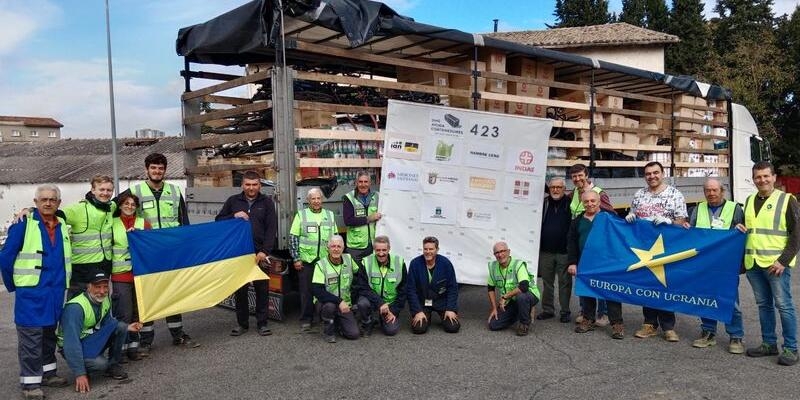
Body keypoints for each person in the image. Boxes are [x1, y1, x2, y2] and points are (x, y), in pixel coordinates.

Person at [119, 152, 199, 354]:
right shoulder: (134, 191)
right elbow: (113, 209)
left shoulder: (174, 191)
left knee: (173, 292)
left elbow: (184, 222)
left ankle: (178, 334)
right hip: (148, 254)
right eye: (153, 168)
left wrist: (186, 248)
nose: (157, 171)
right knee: (148, 295)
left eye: (160, 168)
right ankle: (146, 341)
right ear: (146, 170)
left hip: (171, 253)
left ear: (165, 170)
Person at [1, 185, 72, 400]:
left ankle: (49, 373)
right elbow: (5, 258)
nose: (48, 203)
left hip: (55, 292)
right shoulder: (23, 224)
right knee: (31, 339)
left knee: (49, 335)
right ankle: (30, 384)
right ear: (35, 202)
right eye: (43, 199)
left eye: (52, 199)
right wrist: (16, 286)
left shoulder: (62, 224)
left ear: (58, 203)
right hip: (31, 294)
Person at [737, 161, 800, 365]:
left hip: (776, 264)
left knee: (784, 305)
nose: (762, 180)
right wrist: (740, 227)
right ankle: (769, 343)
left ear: (774, 177)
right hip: (754, 263)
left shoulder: (787, 200)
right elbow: (751, 229)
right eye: (758, 177)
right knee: (764, 305)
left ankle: (791, 348)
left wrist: (783, 261)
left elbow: (797, 234)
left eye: (766, 176)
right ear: (753, 179)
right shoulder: (749, 200)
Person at [17, 176, 115, 300]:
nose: (105, 193)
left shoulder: (112, 207)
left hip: (104, 268)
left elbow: (126, 198)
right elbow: (52, 212)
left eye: (109, 190)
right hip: (81, 270)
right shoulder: (78, 209)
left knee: (102, 304)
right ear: (93, 190)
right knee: (77, 305)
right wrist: (30, 210)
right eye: (101, 189)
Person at [625, 161, 687, 342]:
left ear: (662, 173)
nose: (652, 176)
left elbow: (682, 221)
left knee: (665, 284)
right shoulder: (639, 195)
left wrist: (669, 222)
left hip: (667, 248)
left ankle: (668, 327)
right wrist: (631, 217)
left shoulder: (675, 194)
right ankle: (649, 324)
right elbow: (633, 216)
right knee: (647, 286)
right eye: (648, 174)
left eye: (655, 173)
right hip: (644, 248)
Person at [683, 178, 746, 354]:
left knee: (731, 300)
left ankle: (735, 336)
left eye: (714, 190)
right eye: (707, 190)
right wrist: (686, 227)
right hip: (703, 264)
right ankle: (708, 333)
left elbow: (743, 233)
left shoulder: (735, 209)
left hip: (726, 264)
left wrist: (742, 230)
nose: (711, 193)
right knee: (705, 298)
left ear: (722, 191)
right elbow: (691, 234)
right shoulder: (697, 209)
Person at [57, 270, 143, 394]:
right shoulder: (75, 308)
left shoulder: (104, 299)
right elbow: (71, 343)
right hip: (73, 345)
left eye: (105, 287)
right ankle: (86, 368)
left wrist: (128, 327)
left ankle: (113, 365)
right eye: (97, 287)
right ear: (88, 287)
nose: (102, 291)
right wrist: (80, 373)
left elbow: (109, 324)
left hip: (89, 340)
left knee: (121, 327)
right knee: (100, 364)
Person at [215, 170, 278, 337]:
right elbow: (218, 220)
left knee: (262, 290)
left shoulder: (267, 202)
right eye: (248, 184)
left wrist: (264, 251)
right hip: (239, 253)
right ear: (242, 185)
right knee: (241, 291)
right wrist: (233, 215)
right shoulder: (233, 201)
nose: (251, 188)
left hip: (259, 254)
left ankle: (262, 324)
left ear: (260, 185)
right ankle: (242, 324)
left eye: (255, 184)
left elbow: (271, 229)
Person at [567, 190, 625, 339]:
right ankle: (588, 319)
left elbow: (621, 236)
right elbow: (572, 243)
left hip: (607, 263)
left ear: (599, 202)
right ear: (582, 203)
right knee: (587, 292)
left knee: (611, 293)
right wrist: (573, 262)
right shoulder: (577, 221)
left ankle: (617, 323)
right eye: (586, 201)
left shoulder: (610, 218)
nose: (590, 204)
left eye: (593, 201)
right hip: (585, 263)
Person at [568, 164, 614, 326]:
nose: (577, 179)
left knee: (601, 281)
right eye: (574, 176)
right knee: (584, 280)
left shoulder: (599, 193)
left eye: (580, 175)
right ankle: (585, 312)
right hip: (581, 240)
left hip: (599, 246)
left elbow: (611, 215)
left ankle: (604, 313)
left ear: (586, 175)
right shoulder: (574, 193)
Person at [290, 187, 338, 333]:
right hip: (307, 260)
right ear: (308, 200)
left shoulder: (329, 215)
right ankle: (306, 319)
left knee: (326, 289)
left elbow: (335, 238)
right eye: (313, 199)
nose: (316, 201)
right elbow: (293, 238)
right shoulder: (301, 215)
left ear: (322, 200)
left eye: (318, 198)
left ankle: (325, 317)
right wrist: (296, 258)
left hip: (324, 261)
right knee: (306, 291)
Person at [110, 192, 151, 361]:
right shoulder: (111, 223)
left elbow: (150, 245)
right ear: (120, 205)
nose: (129, 207)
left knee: (137, 313)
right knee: (123, 314)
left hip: (140, 274)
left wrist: (139, 236)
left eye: (133, 204)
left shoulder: (144, 223)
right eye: (126, 204)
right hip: (120, 275)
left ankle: (133, 348)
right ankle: (119, 350)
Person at [354, 235, 407, 337]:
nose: (381, 253)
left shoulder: (399, 262)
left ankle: (383, 318)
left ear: (389, 249)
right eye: (378, 250)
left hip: (390, 304)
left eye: (384, 250)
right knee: (362, 303)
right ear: (374, 250)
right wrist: (380, 303)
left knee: (391, 331)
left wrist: (394, 311)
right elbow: (362, 288)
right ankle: (368, 322)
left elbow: (403, 290)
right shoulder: (366, 262)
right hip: (373, 301)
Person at [311, 235, 360, 343]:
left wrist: (356, 298)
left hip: (345, 304)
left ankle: (339, 324)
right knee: (330, 307)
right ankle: (328, 331)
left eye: (339, 246)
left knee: (354, 334)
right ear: (328, 248)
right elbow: (317, 291)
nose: (336, 249)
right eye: (333, 246)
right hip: (326, 303)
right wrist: (339, 301)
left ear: (343, 248)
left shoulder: (349, 259)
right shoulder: (321, 265)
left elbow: (359, 275)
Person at [406, 236, 460, 334]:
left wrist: (450, 308)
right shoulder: (415, 264)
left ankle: (443, 315)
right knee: (419, 329)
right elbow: (411, 290)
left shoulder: (446, 263)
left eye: (431, 249)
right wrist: (417, 311)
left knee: (452, 327)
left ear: (437, 249)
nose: (428, 252)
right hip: (423, 302)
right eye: (425, 249)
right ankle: (426, 316)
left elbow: (453, 288)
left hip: (441, 301)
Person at [537, 177, 573, 323]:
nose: (555, 190)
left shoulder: (570, 203)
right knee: (547, 283)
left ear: (564, 189)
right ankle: (548, 310)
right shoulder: (544, 203)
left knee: (565, 283)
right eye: (553, 187)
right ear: (549, 189)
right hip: (546, 251)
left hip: (564, 252)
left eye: (559, 187)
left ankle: (565, 311)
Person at [487, 241, 539, 336]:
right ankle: (521, 311)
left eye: (502, 251)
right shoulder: (493, 267)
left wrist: (505, 297)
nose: (500, 255)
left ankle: (524, 323)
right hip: (512, 300)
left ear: (508, 252)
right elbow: (490, 288)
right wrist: (494, 308)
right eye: (497, 253)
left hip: (529, 295)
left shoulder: (518, 264)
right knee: (493, 325)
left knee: (522, 297)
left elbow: (524, 286)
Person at [342, 171, 382, 266]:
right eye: (360, 182)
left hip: (373, 244)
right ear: (356, 183)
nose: (363, 185)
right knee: (356, 273)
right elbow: (348, 221)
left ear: (370, 183)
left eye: (366, 181)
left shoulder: (378, 196)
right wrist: (369, 218)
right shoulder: (349, 198)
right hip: (356, 247)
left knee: (371, 272)